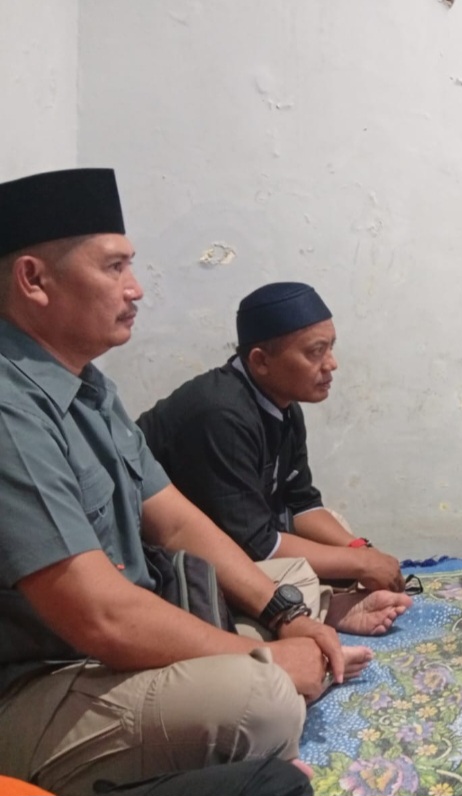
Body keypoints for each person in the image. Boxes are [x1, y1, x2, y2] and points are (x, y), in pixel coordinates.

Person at [0, 168, 370, 795]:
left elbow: (175, 521)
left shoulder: (90, 387)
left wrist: (285, 616)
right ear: (34, 280)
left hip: (133, 615)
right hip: (46, 677)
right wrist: (268, 655)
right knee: (261, 700)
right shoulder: (12, 410)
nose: (136, 288)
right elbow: (100, 617)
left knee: (292, 584)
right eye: (114, 267)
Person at [137, 282, 413, 625]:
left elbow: (302, 505)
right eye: (315, 352)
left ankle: (320, 605)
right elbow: (256, 544)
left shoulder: (284, 406)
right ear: (261, 361)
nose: (332, 364)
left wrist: (360, 550)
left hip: (245, 535)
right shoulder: (220, 413)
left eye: (331, 348)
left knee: (335, 527)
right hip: (166, 561)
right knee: (295, 576)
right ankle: (331, 611)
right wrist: (358, 565)